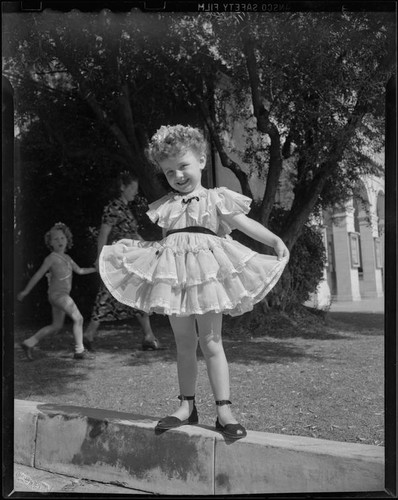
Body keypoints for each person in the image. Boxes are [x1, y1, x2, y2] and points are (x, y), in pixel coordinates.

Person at [99, 125, 290, 440]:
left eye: (184, 165)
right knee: (184, 342)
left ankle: (224, 410)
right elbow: (166, 244)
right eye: (170, 171)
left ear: (201, 160)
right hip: (175, 280)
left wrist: (274, 239)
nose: (178, 175)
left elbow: (244, 223)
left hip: (206, 278)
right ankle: (187, 406)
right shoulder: (166, 206)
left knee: (211, 342)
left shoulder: (216, 199)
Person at [83, 171, 161, 352]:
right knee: (113, 293)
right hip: (120, 259)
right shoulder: (113, 207)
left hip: (130, 257)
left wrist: (149, 247)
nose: (135, 191)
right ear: (122, 187)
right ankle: (88, 335)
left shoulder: (125, 208)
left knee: (134, 293)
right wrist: (99, 258)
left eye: (136, 187)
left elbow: (132, 234)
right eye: (132, 187)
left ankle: (148, 336)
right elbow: (103, 233)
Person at [17, 222, 96, 361]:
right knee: (79, 318)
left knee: (56, 325)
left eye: (62, 238)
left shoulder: (68, 258)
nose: (60, 241)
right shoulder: (51, 258)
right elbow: (38, 275)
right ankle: (79, 351)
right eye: (55, 239)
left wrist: (96, 269)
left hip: (60, 296)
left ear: (67, 240)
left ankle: (29, 343)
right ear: (50, 243)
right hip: (58, 295)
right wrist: (25, 291)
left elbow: (80, 271)